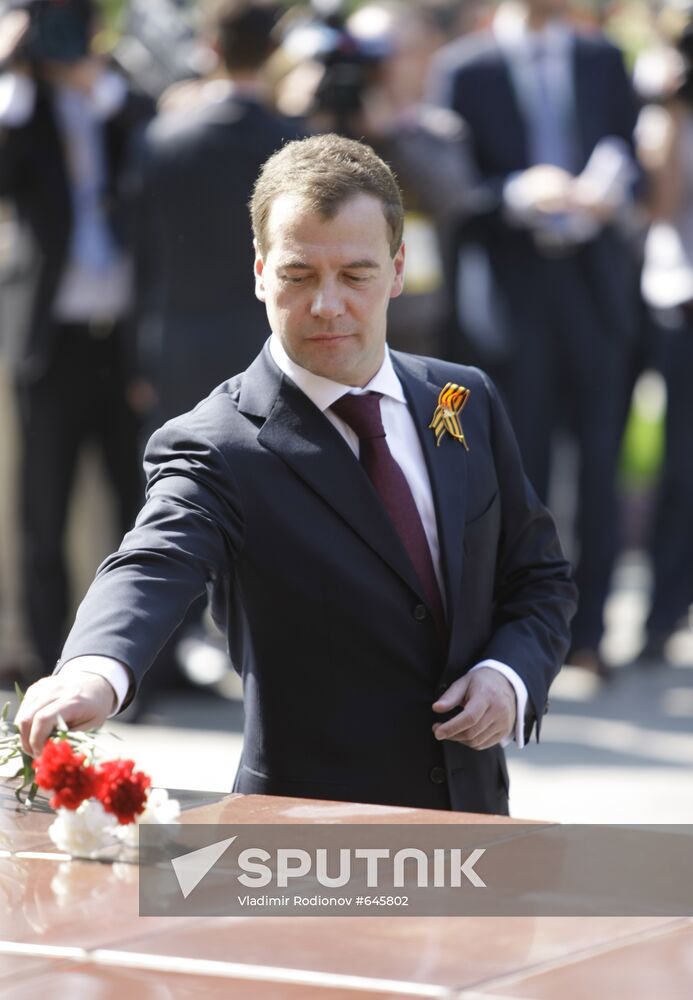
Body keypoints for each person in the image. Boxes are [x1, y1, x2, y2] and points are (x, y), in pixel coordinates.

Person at [16, 134, 576, 815]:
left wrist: (507, 676)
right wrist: (92, 672)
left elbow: (537, 578)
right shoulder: (214, 443)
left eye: (355, 275)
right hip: (304, 846)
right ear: (259, 272)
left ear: (398, 270)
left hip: (474, 825)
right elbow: (153, 560)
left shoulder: (460, 401)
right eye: (299, 275)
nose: (327, 304)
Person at [428, 0, 643, 677]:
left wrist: (606, 190)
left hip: (593, 287)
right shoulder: (464, 67)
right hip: (512, 294)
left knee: (600, 463)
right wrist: (517, 192)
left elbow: (629, 152)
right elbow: (450, 181)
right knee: (523, 472)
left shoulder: (603, 58)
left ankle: (591, 634)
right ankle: (526, 632)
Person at [0, 0, 154, 682]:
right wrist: (11, 67)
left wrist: (100, 93)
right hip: (50, 340)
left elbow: (153, 150)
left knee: (133, 504)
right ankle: (43, 664)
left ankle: (126, 663)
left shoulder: (119, 96)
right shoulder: (20, 108)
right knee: (44, 511)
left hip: (123, 337)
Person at [133, 0, 304, 425]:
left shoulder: (161, 140)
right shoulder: (295, 143)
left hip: (180, 344)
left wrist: (135, 358)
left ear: (210, 46)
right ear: (272, 50)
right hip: (270, 343)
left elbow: (139, 252)